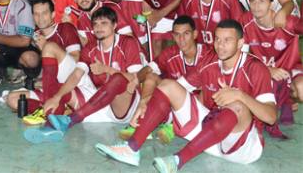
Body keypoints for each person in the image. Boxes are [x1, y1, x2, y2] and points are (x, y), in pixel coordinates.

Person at [97, 20, 276, 171]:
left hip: (241, 146)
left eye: (227, 40)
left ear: (240, 43)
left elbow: (270, 117)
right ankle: (132, 148)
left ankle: (177, 161)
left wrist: (240, 95)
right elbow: (173, 89)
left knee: (237, 106)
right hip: (209, 133)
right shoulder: (209, 62)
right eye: (217, 39)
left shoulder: (255, 68)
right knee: (168, 85)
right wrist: (145, 103)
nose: (220, 45)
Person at [24, 6, 145, 144]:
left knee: (118, 79)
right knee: (63, 89)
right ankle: (50, 127)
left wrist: (106, 69)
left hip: (123, 105)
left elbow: (137, 77)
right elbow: (76, 75)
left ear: (115, 25)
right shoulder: (90, 47)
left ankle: (70, 120)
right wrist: (56, 97)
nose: (98, 27)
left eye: (104, 23)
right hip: (96, 102)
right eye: (95, 24)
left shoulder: (127, 43)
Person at [118, 16, 218, 142]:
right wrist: (136, 82)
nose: (181, 39)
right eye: (177, 35)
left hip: (199, 104)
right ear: (172, 36)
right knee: (150, 77)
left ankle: (171, 124)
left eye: (186, 34)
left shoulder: (208, 54)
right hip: (172, 97)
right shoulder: (170, 53)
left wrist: (150, 99)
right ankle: (140, 120)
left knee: (201, 92)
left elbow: (178, 88)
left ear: (195, 34)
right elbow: (148, 69)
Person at [239, 0, 303, 137]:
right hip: (261, 70)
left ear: (272, 3)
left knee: (302, 91)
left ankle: (286, 97)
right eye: (253, 1)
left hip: (290, 67)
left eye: (262, 1)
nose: (256, 6)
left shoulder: (287, 22)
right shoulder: (245, 21)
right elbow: (242, 54)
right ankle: (279, 99)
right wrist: (267, 70)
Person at [68, 0, 133, 46]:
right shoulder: (81, 18)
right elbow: (86, 44)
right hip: (101, 54)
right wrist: (70, 28)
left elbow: (129, 39)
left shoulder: (110, 8)